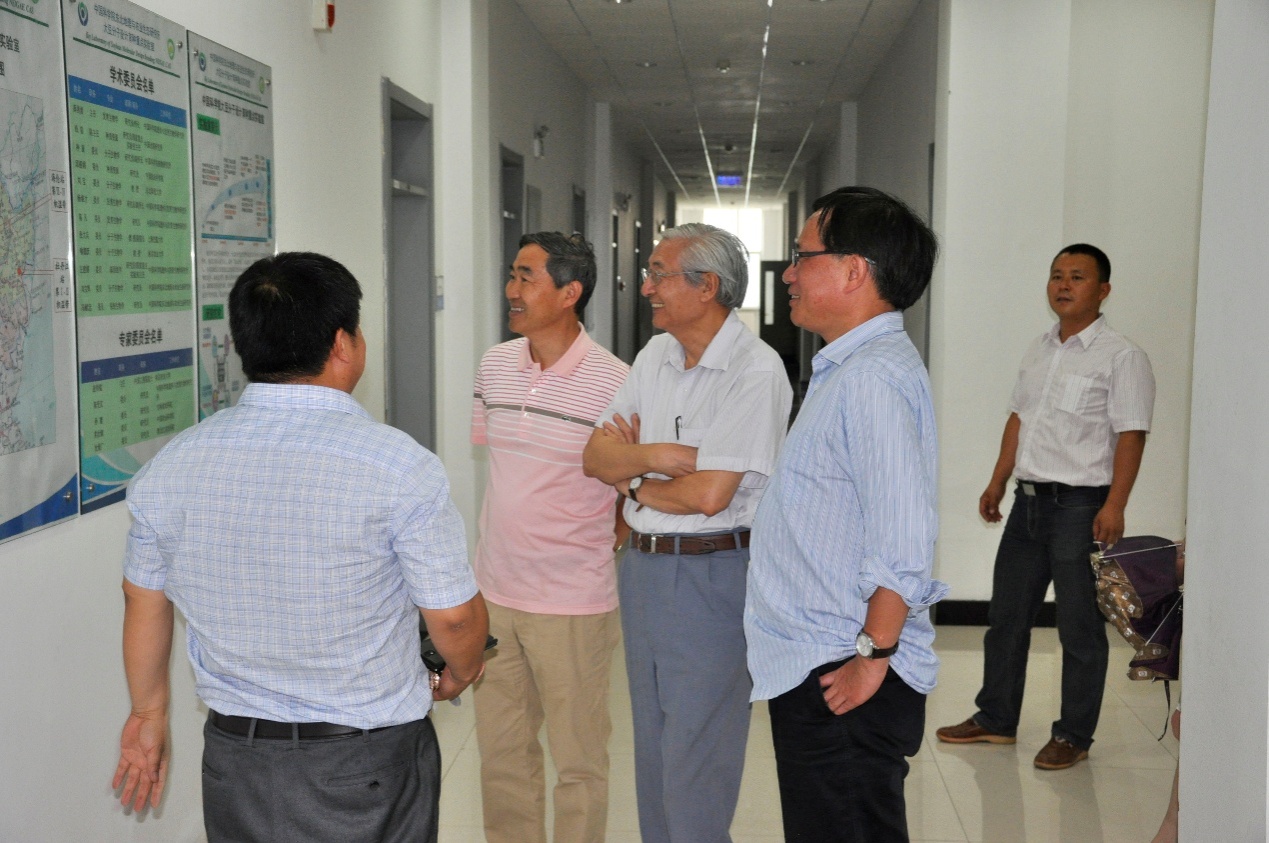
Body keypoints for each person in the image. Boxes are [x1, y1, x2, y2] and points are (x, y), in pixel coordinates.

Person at [111, 252, 489, 842]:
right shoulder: (398, 466)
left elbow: (142, 600)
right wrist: (460, 673)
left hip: (237, 761)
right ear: (343, 344)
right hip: (365, 764)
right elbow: (456, 619)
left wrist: (148, 713)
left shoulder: (172, 466)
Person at [744, 186, 947, 842]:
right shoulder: (851, 366)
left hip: (844, 667)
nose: (789, 274)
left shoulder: (870, 378)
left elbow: (904, 536)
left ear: (854, 270)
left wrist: (871, 654)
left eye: (802, 257)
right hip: (825, 657)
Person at [582, 223, 792, 843]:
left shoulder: (755, 369)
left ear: (707, 286)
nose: (646, 287)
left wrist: (634, 481)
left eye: (658, 274)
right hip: (643, 568)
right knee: (652, 746)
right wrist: (660, 455)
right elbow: (595, 456)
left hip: (711, 574)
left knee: (696, 756)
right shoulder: (655, 356)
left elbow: (709, 495)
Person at [936, 243, 1155, 770]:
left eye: (1077, 276)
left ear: (1103, 290)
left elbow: (1131, 434)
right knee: (1006, 618)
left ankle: (1073, 735)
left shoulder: (1121, 356)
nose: (1063, 285)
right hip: (1028, 504)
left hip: (1081, 507)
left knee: (1078, 627)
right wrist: (997, 481)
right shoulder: (1039, 349)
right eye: (1057, 275)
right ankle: (996, 718)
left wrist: (1115, 505)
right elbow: (1019, 419)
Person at [471, 232, 629, 843]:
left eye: (526, 277)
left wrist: (599, 545)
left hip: (572, 604)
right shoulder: (494, 365)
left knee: (579, 762)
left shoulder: (616, 381)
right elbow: (503, 469)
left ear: (570, 292)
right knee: (503, 757)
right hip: (495, 593)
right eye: (512, 274)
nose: (511, 290)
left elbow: (630, 489)